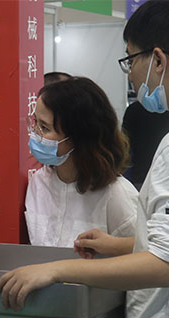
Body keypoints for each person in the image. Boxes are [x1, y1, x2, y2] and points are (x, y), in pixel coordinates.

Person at [0, 2, 169, 318]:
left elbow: (163, 262)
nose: (133, 73)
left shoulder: (121, 189)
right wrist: (118, 245)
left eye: (131, 59)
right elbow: (158, 243)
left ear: (157, 59)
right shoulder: (37, 182)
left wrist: (58, 270)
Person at [25, 77, 138, 248]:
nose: (35, 133)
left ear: (78, 137)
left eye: (45, 128)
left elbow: (143, 257)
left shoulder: (116, 194)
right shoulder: (38, 183)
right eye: (35, 123)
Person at [122, 101, 169, 190]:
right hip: (160, 176)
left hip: (140, 177)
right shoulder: (135, 109)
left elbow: (125, 146)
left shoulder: (134, 109)